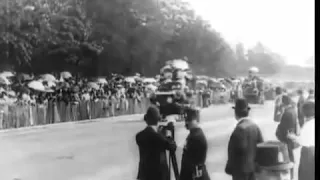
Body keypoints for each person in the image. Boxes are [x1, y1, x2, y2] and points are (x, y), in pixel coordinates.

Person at [225, 98, 264, 180]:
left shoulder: (239, 129)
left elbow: (232, 152)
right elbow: (261, 146)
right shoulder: (255, 126)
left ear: (236, 113)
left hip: (240, 171)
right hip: (252, 169)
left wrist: (229, 168)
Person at [136, 106, 177, 180]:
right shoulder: (159, 137)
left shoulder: (139, 136)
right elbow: (172, 146)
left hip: (144, 175)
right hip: (159, 175)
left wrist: (160, 133)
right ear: (158, 119)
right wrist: (168, 135)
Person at [180, 108, 210, 180]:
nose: (186, 123)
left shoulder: (196, 137)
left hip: (195, 175)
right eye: (186, 120)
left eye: (188, 120)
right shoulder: (193, 134)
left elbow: (193, 163)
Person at [287, 101, 315, 180]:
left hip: (308, 152)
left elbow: (303, 141)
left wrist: (293, 137)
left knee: (306, 174)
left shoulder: (308, 125)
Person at [275, 95, 299, 180]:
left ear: (283, 103)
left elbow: (284, 127)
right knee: (290, 158)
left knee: (288, 159)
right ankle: (291, 176)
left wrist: (279, 132)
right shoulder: (292, 110)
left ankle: (290, 177)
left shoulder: (287, 113)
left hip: (286, 139)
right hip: (290, 138)